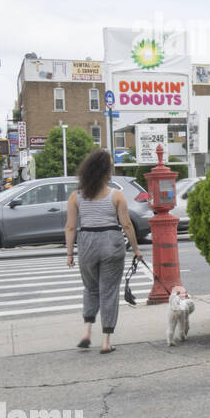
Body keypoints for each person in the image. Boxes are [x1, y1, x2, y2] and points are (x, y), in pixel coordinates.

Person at [65, 149, 143, 353]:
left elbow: (70, 227)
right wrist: (136, 249)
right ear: (106, 172)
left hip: (87, 243)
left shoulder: (75, 196)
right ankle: (106, 341)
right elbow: (127, 225)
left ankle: (86, 332)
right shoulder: (116, 196)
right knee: (108, 291)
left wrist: (70, 253)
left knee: (90, 288)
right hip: (111, 243)